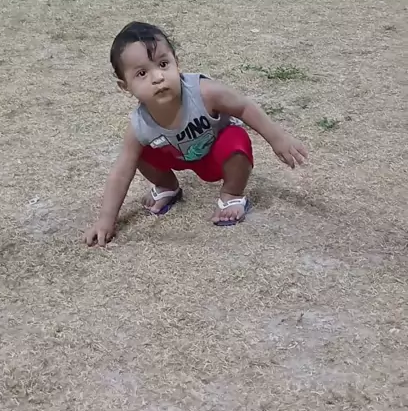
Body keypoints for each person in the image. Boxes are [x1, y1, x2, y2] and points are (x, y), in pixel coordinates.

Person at [84, 22, 308, 247]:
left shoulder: (204, 92)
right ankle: (167, 186)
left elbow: (243, 107)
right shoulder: (139, 125)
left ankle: (232, 194)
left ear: (177, 63)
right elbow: (121, 172)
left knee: (236, 139)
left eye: (163, 64)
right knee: (137, 153)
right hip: (176, 156)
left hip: (216, 156)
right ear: (125, 86)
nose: (158, 77)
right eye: (142, 73)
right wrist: (106, 219)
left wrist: (277, 138)